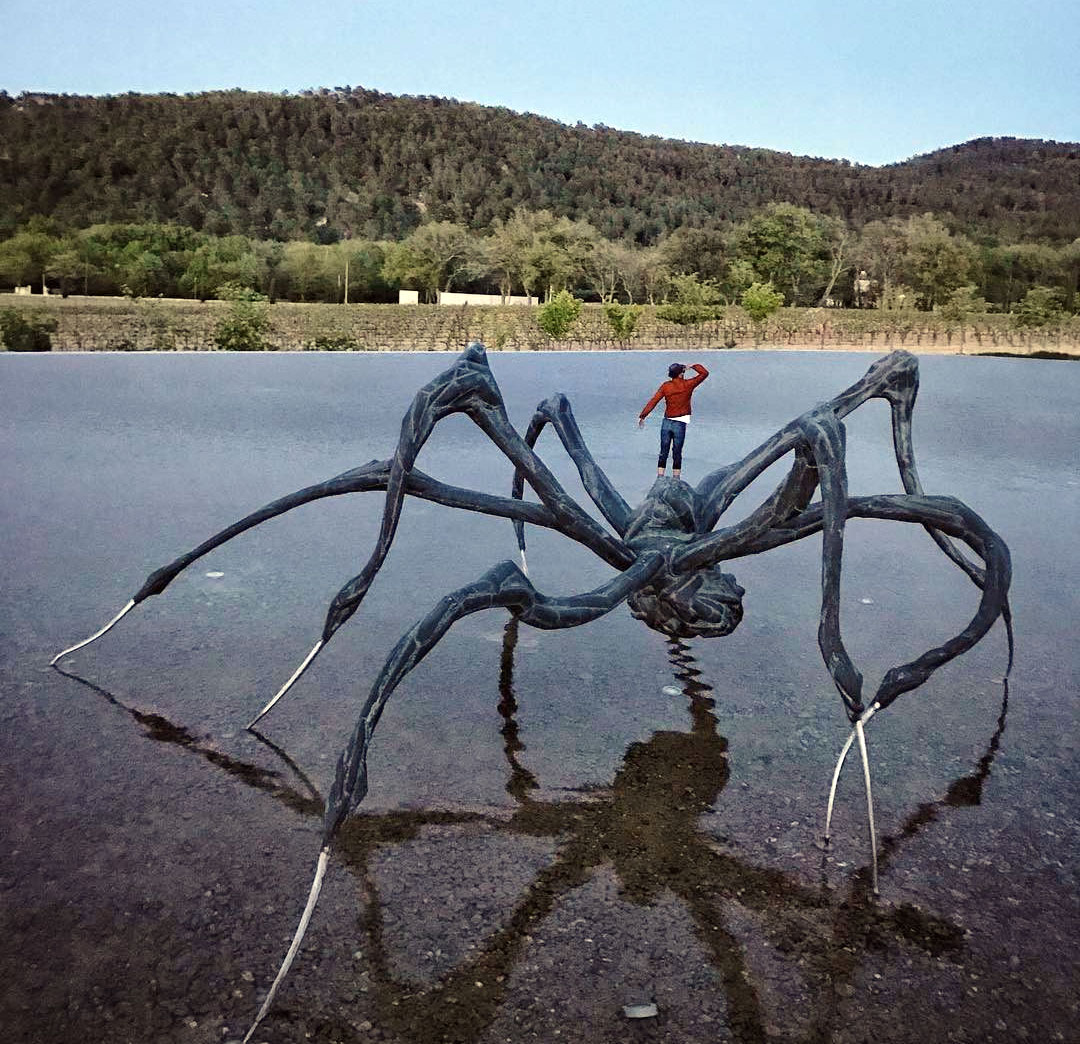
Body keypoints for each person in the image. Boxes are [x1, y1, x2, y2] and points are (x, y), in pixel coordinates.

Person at [638, 361, 709, 479]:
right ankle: (676, 478)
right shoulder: (688, 384)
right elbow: (704, 373)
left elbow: (653, 401)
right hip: (680, 423)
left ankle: (660, 477)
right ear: (681, 374)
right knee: (677, 452)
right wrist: (692, 366)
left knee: (663, 451)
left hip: (667, 422)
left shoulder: (666, 386)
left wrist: (643, 416)